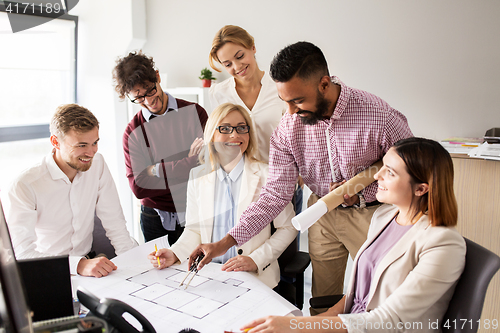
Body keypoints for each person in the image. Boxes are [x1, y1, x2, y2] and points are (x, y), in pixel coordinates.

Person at [189, 41, 413, 314]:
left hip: (373, 214)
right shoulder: (288, 127)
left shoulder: (377, 114)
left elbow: (413, 166)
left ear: (324, 84)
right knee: (323, 302)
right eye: (285, 102)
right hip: (321, 213)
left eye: (297, 101)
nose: (291, 112)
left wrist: (365, 187)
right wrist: (225, 242)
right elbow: (274, 195)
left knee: (386, 293)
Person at [240, 137, 466, 333]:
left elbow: (388, 320)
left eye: (390, 172)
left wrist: (299, 327)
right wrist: (313, 322)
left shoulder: (443, 243)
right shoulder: (385, 216)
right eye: (382, 166)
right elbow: (356, 295)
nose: (377, 175)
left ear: (421, 189)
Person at [148, 103, 297, 288]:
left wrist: (255, 259)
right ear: (211, 135)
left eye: (242, 128)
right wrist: (175, 253)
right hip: (211, 277)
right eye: (225, 129)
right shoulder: (197, 176)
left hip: (254, 278)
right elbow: (194, 230)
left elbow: (289, 227)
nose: (235, 135)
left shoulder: (267, 175)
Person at [7, 104, 137, 278]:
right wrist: (79, 265)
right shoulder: (26, 185)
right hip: (48, 270)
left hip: (90, 265)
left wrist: (135, 263)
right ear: (55, 142)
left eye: (95, 143)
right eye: (82, 145)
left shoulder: (97, 164)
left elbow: (114, 221)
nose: (91, 152)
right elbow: (21, 252)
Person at [113, 51, 208, 244]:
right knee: (159, 272)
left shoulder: (194, 113)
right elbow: (139, 187)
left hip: (195, 208)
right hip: (154, 218)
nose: (148, 101)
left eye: (150, 90)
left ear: (157, 77)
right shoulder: (133, 132)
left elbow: (207, 166)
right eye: (139, 98)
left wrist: (155, 170)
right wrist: (188, 164)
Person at [208, 25, 303, 214]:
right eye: (228, 64)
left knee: (286, 240)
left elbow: (299, 136)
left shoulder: (279, 87)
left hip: (283, 186)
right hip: (242, 190)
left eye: (240, 56)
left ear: (252, 47)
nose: (237, 67)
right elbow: (220, 141)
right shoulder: (218, 94)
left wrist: (300, 174)